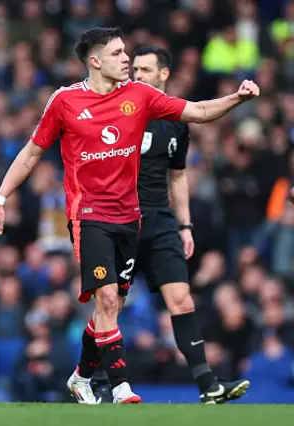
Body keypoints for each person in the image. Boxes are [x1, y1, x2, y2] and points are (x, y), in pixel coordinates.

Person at [0, 27, 259, 404]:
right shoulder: (65, 101)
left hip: (130, 218)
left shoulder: (140, 96)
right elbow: (32, 153)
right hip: (89, 215)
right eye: (117, 53)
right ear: (95, 61)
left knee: (108, 305)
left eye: (125, 52)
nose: (126, 58)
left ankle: (81, 377)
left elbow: (197, 111)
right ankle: (120, 387)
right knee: (109, 299)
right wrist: (0, 198)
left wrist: (237, 98)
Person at [87, 46, 250, 404]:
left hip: (160, 221)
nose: (138, 75)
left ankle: (208, 384)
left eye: (146, 69)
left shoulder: (175, 121)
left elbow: (178, 177)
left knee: (182, 300)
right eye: (136, 69)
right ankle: (96, 380)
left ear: (164, 74)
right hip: (121, 220)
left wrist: (185, 225)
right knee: (110, 304)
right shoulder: (117, 110)